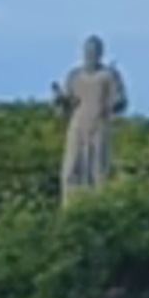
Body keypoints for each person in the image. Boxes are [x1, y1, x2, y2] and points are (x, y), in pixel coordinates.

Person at [53, 32, 129, 202]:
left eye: (94, 51)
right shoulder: (74, 75)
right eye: (87, 51)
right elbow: (66, 104)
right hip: (77, 125)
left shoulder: (109, 75)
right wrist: (60, 100)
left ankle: (98, 206)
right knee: (71, 168)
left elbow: (120, 101)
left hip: (99, 125)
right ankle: (70, 207)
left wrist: (116, 103)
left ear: (100, 53)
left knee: (98, 169)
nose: (90, 55)